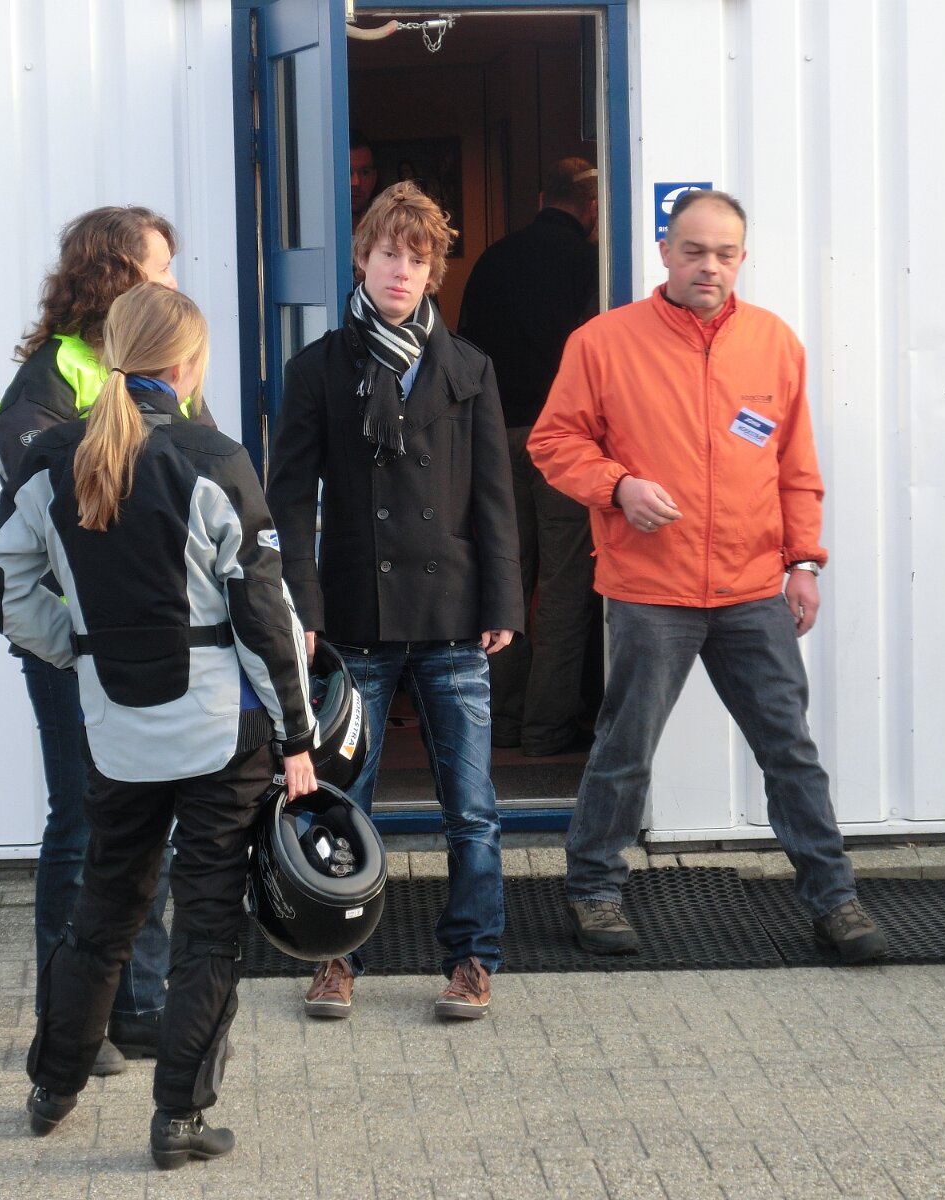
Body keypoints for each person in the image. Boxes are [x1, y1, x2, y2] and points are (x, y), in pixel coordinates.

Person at [0, 283, 318, 1167]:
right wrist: (297, 737)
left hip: (117, 727)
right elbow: (264, 612)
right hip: (219, 735)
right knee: (208, 925)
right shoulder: (213, 458)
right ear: (188, 364)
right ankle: (180, 1120)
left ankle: (52, 1088)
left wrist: (78, 650)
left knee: (104, 909)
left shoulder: (54, 457)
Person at [529, 188, 888, 964]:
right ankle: (594, 891)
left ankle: (836, 902)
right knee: (625, 749)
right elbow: (554, 442)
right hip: (650, 590)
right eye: (693, 251)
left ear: (742, 257)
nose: (709, 266)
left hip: (752, 587)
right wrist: (618, 486)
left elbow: (796, 465)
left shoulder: (773, 343)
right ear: (664, 251)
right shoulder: (603, 342)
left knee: (789, 750)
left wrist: (803, 562)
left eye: (725, 253)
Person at [266, 182, 523, 1020]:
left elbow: (494, 498)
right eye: (387, 254)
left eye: (417, 258)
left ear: (434, 270)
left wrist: (504, 600)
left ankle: (473, 959)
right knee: (346, 800)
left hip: (453, 617)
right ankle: (335, 956)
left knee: (472, 807)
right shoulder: (317, 370)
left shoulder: (468, 368)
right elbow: (287, 502)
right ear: (362, 259)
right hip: (355, 620)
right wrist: (302, 610)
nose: (400, 271)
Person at [0, 206, 215, 1073]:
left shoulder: (170, 363)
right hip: (74, 644)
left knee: (145, 821)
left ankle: (138, 1006)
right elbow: (38, 522)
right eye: (162, 267)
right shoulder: (49, 380)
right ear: (118, 275)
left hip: (155, 637)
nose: (175, 282)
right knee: (82, 823)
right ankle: (67, 1019)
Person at [459, 157, 601, 756]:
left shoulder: (492, 259)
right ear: (591, 208)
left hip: (496, 438)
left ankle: (504, 721)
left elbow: (464, 353)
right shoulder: (589, 264)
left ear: (543, 197)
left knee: (507, 582)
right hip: (564, 443)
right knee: (565, 588)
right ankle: (547, 730)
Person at [350, 134, 380, 226]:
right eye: (347, 172)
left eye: (364, 172)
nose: (355, 182)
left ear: (374, 178)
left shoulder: (388, 230)